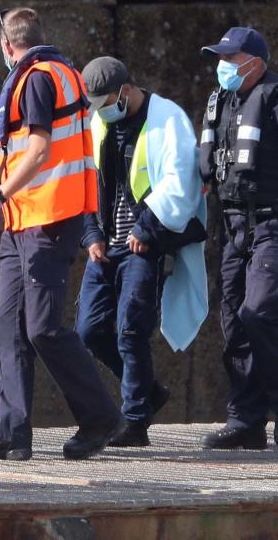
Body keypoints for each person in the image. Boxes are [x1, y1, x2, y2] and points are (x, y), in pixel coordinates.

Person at [0, 7, 120, 461]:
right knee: (6, 324)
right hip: (24, 222)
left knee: (43, 327)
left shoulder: (38, 79)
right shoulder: (53, 73)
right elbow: (18, 137)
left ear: (8, 46)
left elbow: (40, 149)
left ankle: (100, 416)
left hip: (47, 218)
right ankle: (12, 430)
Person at [198, 27, 278, 449]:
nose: (224, 68)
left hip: (276, 225)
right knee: (234, 321)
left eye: (231, 60)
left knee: (259, 310)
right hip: (234, 227)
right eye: (220, 60)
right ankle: (246, 418)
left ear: (255, 62)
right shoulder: (221, 101)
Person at [74, 56, 208, 447]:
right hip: (106, 243)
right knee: (88, 330)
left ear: (126, 91)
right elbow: (87, 177)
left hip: (142, 244)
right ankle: (149, 391)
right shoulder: (100, 119)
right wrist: (90, 233)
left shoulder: (167, 119)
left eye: (107, 102)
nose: (101, 112)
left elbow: (179, 181)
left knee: (131, 328)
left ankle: (134, 421)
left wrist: (147, 226)